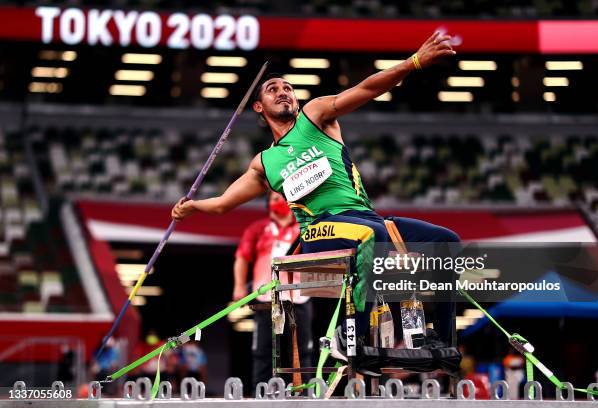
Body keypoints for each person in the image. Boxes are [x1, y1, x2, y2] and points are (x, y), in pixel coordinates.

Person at [172, 32, 459, 355]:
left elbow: (367, 89)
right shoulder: (265, 163)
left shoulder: (316, 115)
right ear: (258, 106)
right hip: (320, 230)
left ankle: (440, 340)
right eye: (272, 89)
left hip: (364, 218)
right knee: (372, 235)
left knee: (445, 240)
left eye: (287, 88)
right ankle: (350, 336)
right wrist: (193, 206)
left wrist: (413, 62)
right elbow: (224, 203)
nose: (283, 92)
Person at [233, 191, 312, 390]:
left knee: (301, 352)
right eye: (275, 199)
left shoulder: (305, 228)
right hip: (266, 301)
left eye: (283, 199)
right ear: (268, 204)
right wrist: (239, 286)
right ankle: (261, 395)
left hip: (298, 299)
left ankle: (303, 396)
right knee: (263, 352)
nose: (280, 203)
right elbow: (242, 258)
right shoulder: (258, 229)